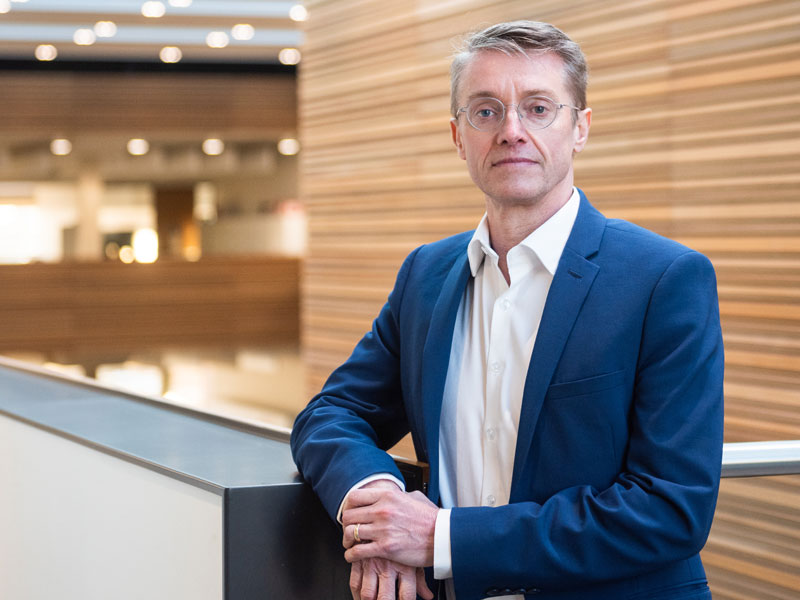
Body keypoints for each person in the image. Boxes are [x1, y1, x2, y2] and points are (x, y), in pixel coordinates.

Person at [291, 20, 724, 600]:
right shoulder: (426, 274)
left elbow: (670, 508)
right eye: (486, 111)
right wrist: (378, 506)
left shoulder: (664, 279)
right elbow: (331, 414)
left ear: (581, 128)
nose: (512, 131)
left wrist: (442, 539)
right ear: (457, 135)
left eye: (539, 108)